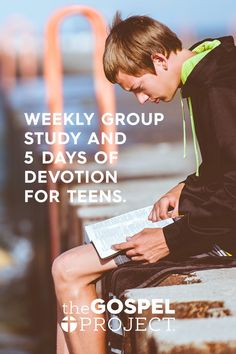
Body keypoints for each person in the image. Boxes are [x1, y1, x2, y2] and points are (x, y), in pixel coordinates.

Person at [52, 12, 236, 354]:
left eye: (138, 87)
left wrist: (168, 239)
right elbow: (224, 168)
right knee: (66, 268)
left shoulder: (218, 88)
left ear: (159, 59)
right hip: (216, 222)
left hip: (224, 237)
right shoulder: (209, 72)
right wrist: (188, 187)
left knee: (68, 271)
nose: (140, 100)